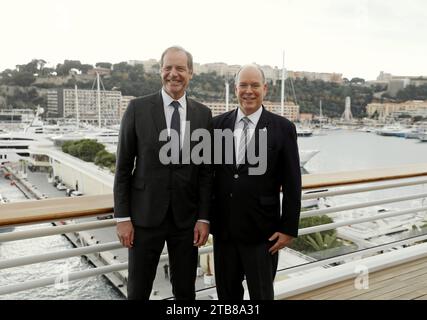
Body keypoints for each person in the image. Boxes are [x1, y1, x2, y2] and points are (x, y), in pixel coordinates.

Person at [113, 46, 212, 300]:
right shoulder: (137, 109)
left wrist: (203, 217)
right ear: (160, 71)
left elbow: (205, 173)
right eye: (168, 68)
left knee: (185, 292)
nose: (173, 74)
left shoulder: (203, 114)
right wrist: (122, 217)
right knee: (138, 291)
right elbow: (123, 168)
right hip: (143, 219)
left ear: (190, 73)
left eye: (180, 68)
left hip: (186, 222)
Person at [211, 64, 301, 300]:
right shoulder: (216, 125)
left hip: (263, 234)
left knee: (262, 295)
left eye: (254, 85)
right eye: (243, 85)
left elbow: (293, 183)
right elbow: (207, 178)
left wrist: (288, 228)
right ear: (235, 89)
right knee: (227, 297)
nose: (248, 91)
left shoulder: (283, 128)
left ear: (265, 89)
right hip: (224, 233)